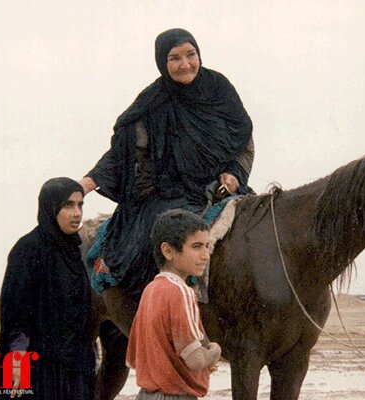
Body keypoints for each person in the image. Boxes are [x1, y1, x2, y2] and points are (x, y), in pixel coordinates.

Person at [79, 28, 254, 324]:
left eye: (190, 54)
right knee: (156, 239)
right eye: (174, 58)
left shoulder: (219, 89)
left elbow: (242, 140)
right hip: (166, 193)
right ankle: (158, 316)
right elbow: (123, 153)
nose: (185, 64)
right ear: (162, 62)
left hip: (217, 188)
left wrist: (234, 173)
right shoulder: (153, 101)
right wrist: (85, 184)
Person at [0, 177, 95, 399]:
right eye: (68, 205)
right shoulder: (28, 249)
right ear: (50, 207)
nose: (77, 213)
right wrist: (16, 359)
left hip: (72, 364)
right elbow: (15, 313)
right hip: (37, 364)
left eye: (80, 205)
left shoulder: (74, 252)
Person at [126, 209, 221, 400]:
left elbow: (133, 358)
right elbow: (195, 360)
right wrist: (214, 352)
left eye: (206, 246)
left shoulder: (150, 290)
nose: (206, 256)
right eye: (196, 246)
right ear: (168, 251)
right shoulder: (182, 292)